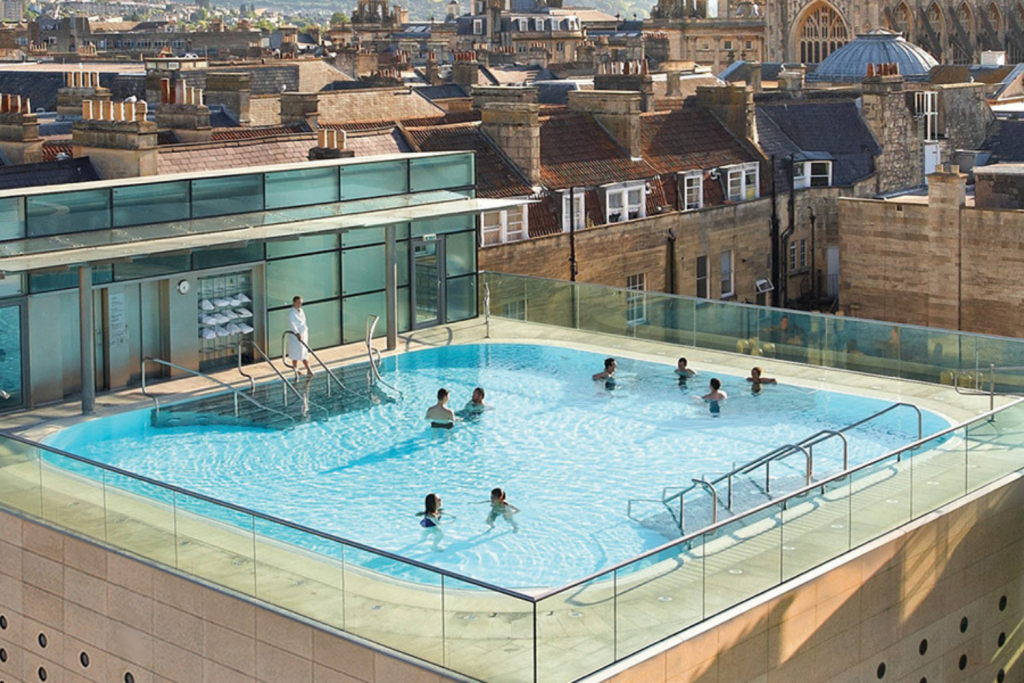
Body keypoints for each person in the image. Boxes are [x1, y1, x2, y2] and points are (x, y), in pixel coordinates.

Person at [287, 296, 312, 376]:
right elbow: (292, 325)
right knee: (296, 354)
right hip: (296, 336)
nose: (300, 304)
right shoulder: (291, 313)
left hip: (303, 334)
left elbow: (303, 322)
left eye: (301, 303)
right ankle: (299, 370)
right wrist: (297, 333)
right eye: (298, 303)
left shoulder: (301, 311)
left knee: (304, 352)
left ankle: (307, 369)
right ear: (294, 302)